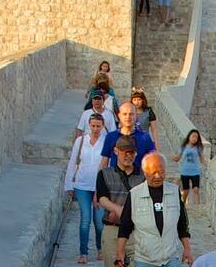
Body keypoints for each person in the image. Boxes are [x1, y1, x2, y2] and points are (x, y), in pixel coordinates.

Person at [117, 153, 192, 267]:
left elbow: (182, 223)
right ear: (145, 172)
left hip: (171, 259)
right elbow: (125, 226)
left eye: (161, 172)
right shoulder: (134, 195)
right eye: (153, 173)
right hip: (145, 260)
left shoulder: (174, 191)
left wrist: (187, 249)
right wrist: (120, 251)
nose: (157, 176)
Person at [66, 115, 110, 264]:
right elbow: (73, 161)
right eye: (93, 126)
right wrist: (69, 184)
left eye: (98, 126)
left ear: (103, 126)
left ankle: (100, 249)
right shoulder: (81, 141)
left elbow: (108, 166)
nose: (96, 129)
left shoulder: (106, 142)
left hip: (100, 187)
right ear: (89, 125)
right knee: (85, 219)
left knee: (99, 221)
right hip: (82, 185)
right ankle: (83, 252)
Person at [97, 137, 146, 263]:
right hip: (113, 230)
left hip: (136, 232)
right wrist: (117, 209)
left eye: (132, 152)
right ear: (116, 151)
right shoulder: (104, 174)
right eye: (125, 152)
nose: (129, 156)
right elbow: (102, 198)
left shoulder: (143, 175)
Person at [103, 103, 156, 169]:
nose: (128, 117)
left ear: (136, 116)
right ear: (119, 116)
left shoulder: (145, 137)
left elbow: (151, 160)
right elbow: (104, 161)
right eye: (125, 114)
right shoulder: (110, 137)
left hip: (138, 177)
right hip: (115, 177)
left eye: (131, 114)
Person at [178, 130, 207, 201]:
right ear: (189, 137)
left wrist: (208, 163)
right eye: (193, 136)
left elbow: (202, 159)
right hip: (185, 172)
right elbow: (178, 157)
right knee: (186, 191)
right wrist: (173, 157)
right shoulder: (183, 147)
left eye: (196, 137)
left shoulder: (198, 148)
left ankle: (197, 207)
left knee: (196, 190)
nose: (195, 139)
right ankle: (183, 204)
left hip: (195, 172)